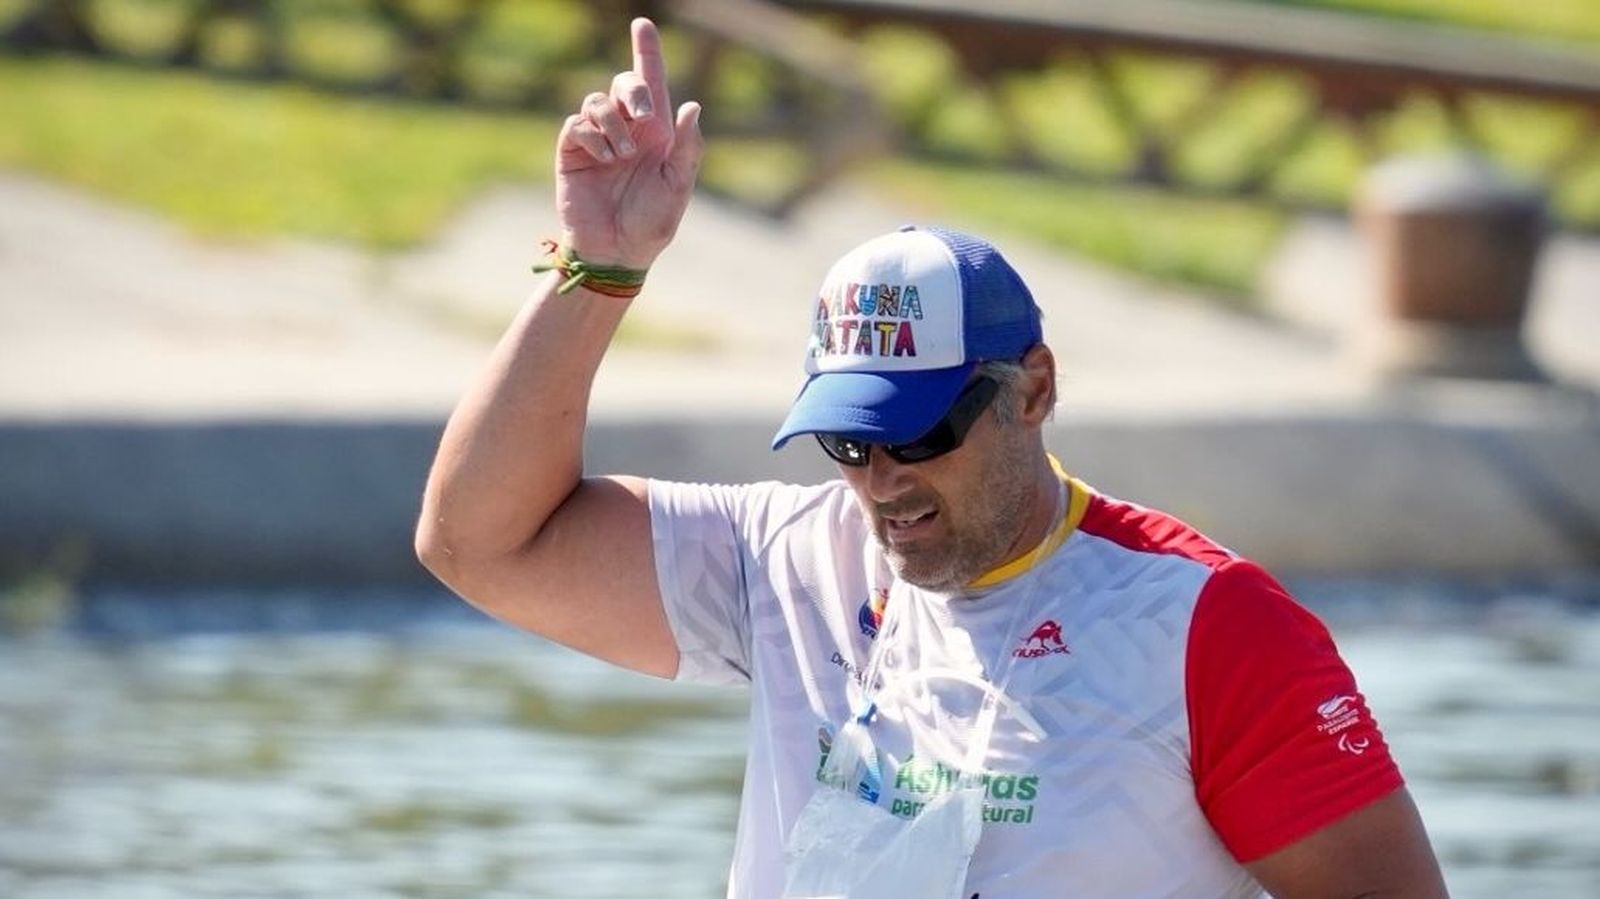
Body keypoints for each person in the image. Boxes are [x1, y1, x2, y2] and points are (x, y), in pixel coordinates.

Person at [415, 17, 1449, 899]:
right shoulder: (783, 557)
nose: (880, 479)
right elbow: (480, 542)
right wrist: (600, 267)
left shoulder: (1209, 626)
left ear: (1033, 389)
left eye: (919, 433)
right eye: (848, 441)